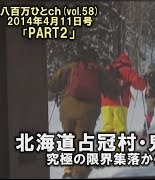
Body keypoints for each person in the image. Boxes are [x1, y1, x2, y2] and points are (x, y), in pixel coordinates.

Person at [47, 47, 121, 179]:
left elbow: (52, 83)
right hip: (88, 113)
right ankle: (79, 174)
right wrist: (118, 90)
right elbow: (112, 89)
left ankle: (68, 171)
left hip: (67, 110)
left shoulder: (70, 67)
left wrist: (57, 89)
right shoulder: (98, 70)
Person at [100, 53, 146, 138]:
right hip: (120, 102)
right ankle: (119, 150)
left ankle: (105, 148)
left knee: (107, 127)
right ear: (128, 61)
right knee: (120, 127)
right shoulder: (127, 70)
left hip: (105, 102)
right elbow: (139, 84)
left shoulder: (109, 69)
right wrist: (144, 82)